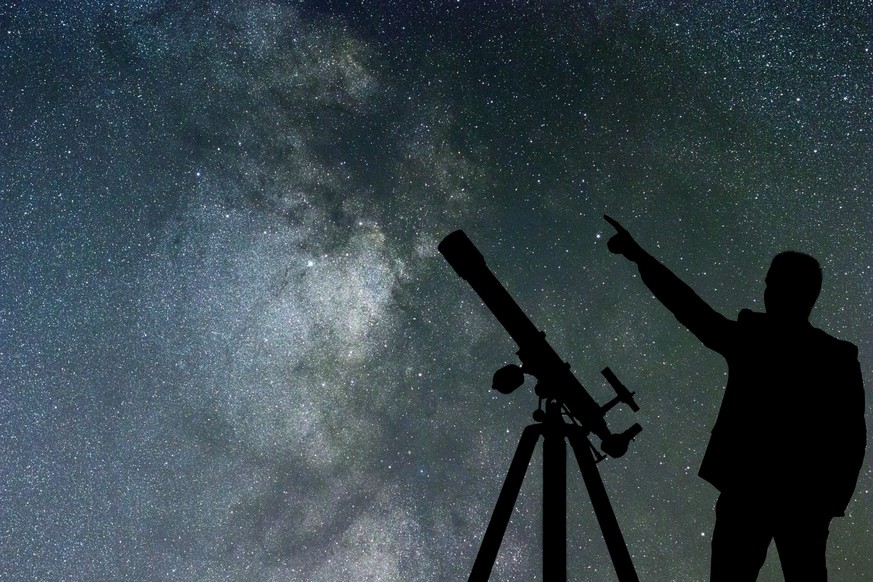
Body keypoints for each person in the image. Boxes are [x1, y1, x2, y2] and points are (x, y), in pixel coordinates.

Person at [603, 215, 866, 581]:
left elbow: (851, 436)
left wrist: (639, 257)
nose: (767, 290)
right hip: (791, 500)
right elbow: (852, 436)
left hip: (763, 495)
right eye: (769, 283)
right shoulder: (830, 355)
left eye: (774, 283)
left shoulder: (764, 343)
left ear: (799, 292)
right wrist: (827, 502)